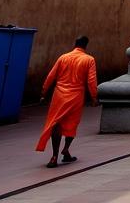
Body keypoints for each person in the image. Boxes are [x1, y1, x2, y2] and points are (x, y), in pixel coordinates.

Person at [35, 36, 98, 168]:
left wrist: (43, 93)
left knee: (56, 124)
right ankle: (66, 148)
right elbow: (91, 81)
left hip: (59, 96)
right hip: (76, 96)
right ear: (86, 46)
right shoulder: (89, 59)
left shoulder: (63, 57)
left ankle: (54, 156)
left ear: (74, 44)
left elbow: (51, 76)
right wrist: (94, 98)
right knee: (71, 124)